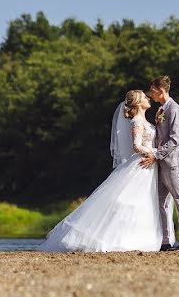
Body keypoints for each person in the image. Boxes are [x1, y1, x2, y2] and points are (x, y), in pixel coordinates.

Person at [39, 90, 163, 252]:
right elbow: (136, 146)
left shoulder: (145, 120)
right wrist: (154, 153)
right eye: (145, 97)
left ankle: (139, 238)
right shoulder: (137, 121)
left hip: (149, 165)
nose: (148, 98)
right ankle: (121, 240)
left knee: (144, 202)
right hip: (141, 164)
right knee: (131, 202)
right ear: (139, 102)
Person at [141, 75, 179, 251]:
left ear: (161, 90)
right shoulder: (161, 110)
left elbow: (175, 140)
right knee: (161, 203)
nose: (151, 94)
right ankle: (165, 240)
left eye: (153, 91)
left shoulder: (175, 110)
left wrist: (156, 154)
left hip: (173, 163)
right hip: (159, 163)